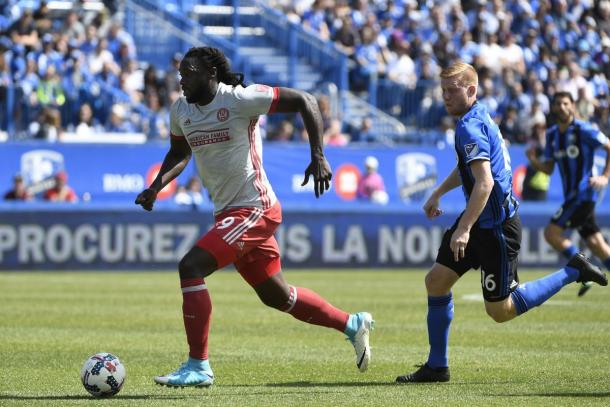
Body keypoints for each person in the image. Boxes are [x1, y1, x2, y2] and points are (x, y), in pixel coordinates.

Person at [135, 46, 374, 388]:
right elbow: (179, 150)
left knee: (191, 266)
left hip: (255, 208)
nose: (181, 79)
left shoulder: (240, 99)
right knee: (278, 296)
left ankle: (198, 365)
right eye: (180, 73)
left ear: (210, 75)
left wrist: (318, 155)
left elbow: (305, 100)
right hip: (228, 213)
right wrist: (157, 185)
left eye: (188, 72)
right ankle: (353, 324)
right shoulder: (180, 110)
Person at [396, 62, 607, 384]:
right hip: (481, 221)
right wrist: (437, 193)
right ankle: (437, 367)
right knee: (436, 281)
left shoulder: (470, 126)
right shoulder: (474, 120)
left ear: (471, 90)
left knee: (500, 311)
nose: (445, 97)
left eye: (452, 91)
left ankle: (573, 270)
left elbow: (485, 184)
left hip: (495, 229)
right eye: (443, 91)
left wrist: (463, 229)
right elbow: (468, 169)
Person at [527, 91, 610, 297]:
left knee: (551, 233)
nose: (561, 107)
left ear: (573, 106)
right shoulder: (553, 134)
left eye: (566, 103)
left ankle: (584, 268)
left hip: (583, 195)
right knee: (596, 243)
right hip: (572, 196)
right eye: (558, 104)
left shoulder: (584, 130)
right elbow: (548, 169)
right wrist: (533, 161)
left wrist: (605, 176)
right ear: (553, 108)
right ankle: (587, 268)